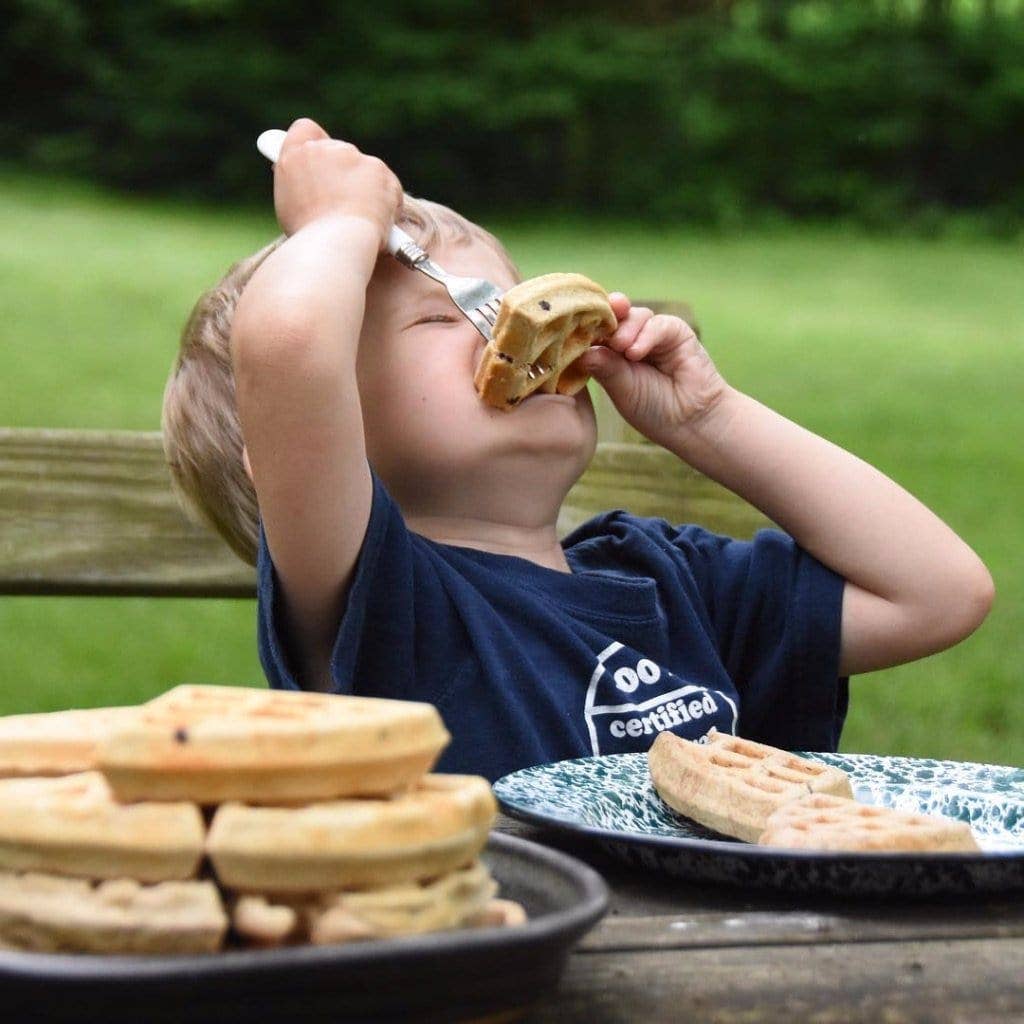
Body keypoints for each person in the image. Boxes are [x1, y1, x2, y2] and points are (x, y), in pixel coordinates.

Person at [162, 119, 994, 781]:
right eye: (438, 318)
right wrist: (342, 222)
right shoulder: (378, 605)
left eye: (508, 302)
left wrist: (708, 419)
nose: (506, 331)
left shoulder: (669, 584)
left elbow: (939, 592)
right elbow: (288, 354)